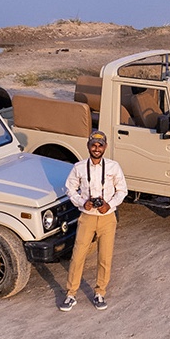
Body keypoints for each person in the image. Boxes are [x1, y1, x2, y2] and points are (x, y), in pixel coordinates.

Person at [59, 130, 127, 312]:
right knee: (78, 255)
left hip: (107, 218)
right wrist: (83, 202)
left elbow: (122, 191)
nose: (97, 149)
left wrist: (109, 204)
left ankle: (100, 293)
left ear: (105, 147)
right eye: (93, 145)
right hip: (87, 217)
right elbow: (69, 189)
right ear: (88, 146)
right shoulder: (79, 167)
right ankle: (71, 294)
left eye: (100, 145)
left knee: (105, 257)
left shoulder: (113, 167)